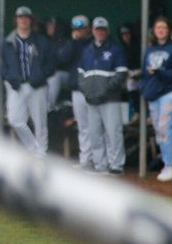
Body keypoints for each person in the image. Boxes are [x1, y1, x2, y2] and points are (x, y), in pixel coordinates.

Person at [0, 6, 54, 156]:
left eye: (26, 17)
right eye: (20, 17)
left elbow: (51, 63)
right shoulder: (8, 41)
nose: (23, 20)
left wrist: (41, 76)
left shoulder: (41, 40)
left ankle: (41, 155)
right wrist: (9, 77)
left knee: (40, 122)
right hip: (17, 86)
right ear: (16, 20)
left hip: (37, 85)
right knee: (14, 120)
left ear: (31, 20)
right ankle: (34, 149)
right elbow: (3, 66)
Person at [78, 17, 128, 174]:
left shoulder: (115, 49)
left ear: (107, 31)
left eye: (102, 29)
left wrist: (105, 92)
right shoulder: (87, 50)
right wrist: (87, 91)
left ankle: (116, 165)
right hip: (92, 100)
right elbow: (80, 75)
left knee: (113, 132)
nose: (100, 32)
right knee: (94, 133)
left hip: (110, 98)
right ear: (92, 30)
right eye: (97, 29)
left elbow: (121, 74)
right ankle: (100, 165)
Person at [141, 17, 172, 182]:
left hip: (171, 90)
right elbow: (144, 74)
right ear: (154, 31)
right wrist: (144, 88)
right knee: (158, 129)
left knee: (164, 126)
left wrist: (161, 71)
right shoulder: (149, 49)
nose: (161, 30)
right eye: (158, 27)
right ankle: (168, 164)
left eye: (164, 27)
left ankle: (171, 166)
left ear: (169, 30)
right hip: (154, 93)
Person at [60, 15, 95, 168]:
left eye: (81, 28)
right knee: (83, 127)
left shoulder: (94, 44)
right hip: (77, 89)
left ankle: (99, 159)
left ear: (88, 29)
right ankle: (85, 160)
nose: (78, 32)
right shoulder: (71, 44)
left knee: (97, 125)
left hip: (93, 90)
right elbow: (62, 59)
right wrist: (73, 42)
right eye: (76, 29)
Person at [44, 16, 69, 111]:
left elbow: (62, 61)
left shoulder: (66, 42)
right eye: (48, 25)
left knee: (55, 76)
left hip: (68, 76)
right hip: (51, 74)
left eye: (51, 25)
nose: (48, 27)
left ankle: (48, 108)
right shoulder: (48, 42)